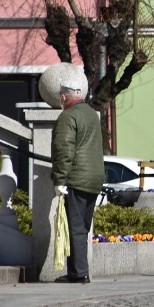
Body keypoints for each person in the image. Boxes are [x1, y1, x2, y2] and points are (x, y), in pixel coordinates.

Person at [51, 76, 104, 284]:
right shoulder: (92, 114)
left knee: (74, 227)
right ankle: (78, 271)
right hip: (94, 177)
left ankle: (79, 273)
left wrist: (59, 179)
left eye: (60, 97)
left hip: (76, 177)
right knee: (82, 227)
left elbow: (64, 150)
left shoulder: (67, 116)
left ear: (63, 96)